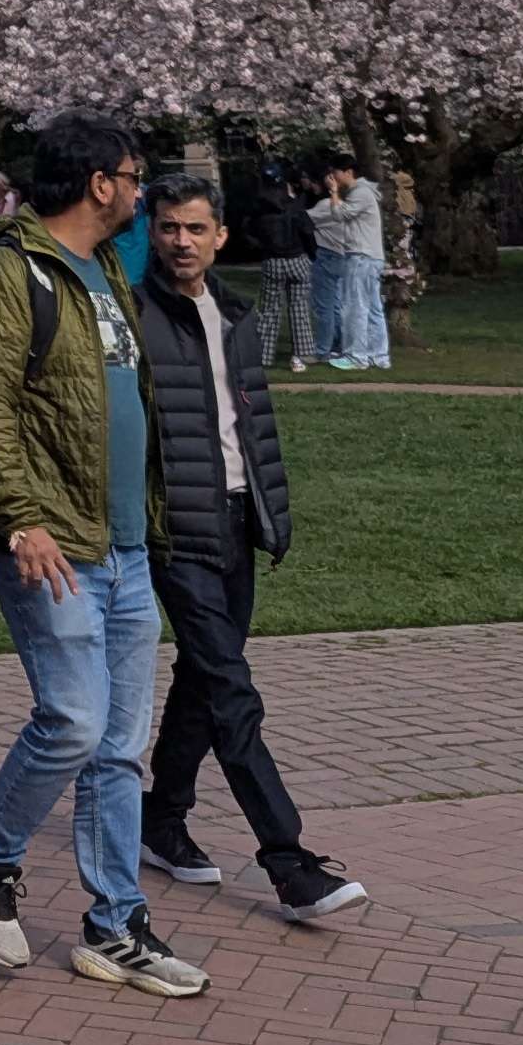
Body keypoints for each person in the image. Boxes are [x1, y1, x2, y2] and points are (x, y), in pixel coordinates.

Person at [0, 114, 208, 999]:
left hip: (124, 546)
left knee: (120, 749)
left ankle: (114, 925)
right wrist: (20, 518)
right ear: (100, 182)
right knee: (74, 721)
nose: (142, 192)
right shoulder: (7, 273)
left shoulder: (106, 273)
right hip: (52, 543)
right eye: (134, 177)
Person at [129, 170, 370, 927]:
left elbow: (252, 426)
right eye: (168, 227)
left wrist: (271, 515)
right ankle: (287, 861)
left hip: (237, 521)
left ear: (220, 236)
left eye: (196, 228)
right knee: (233, 691)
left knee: (206, 681)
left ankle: (160, 820)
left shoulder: (235, 315)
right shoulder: (133, 317)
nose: (181, 242)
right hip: (175, 532)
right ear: (153, 231)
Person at [308, 156, 390, 371]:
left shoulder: (360, 193)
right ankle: (378, 355)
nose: (332, 177)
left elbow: (338, 215)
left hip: (361, 256)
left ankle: (357, 356)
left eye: (335, 172)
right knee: (373, 308)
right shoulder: (364, 192)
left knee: (355, 307)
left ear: (348, 172)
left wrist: (333, 192)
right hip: (369, 257)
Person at [247, 164, 319, 374]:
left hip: (272, 261)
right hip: (297, 258)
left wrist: (262, 247)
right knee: (299, 308)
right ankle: (300, 355)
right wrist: (312, 255)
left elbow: (249, 234)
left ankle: (262, 354)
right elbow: (308, 232)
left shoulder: (258, 209)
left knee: (269, 309)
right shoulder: (294, 206)